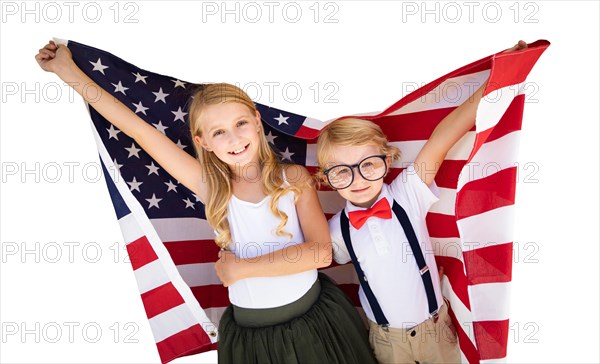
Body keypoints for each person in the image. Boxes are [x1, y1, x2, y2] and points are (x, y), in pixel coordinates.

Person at [35, 40, 377, 364]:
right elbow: (138, 130)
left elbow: (320, 253)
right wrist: (70, 74)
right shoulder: (212, 187)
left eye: (241, 123)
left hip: (315, 323)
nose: (234, 138)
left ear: (257, 122)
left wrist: (242, 269)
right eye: (218, 132)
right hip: (251, 337)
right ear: (204, 142)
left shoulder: (293, 180)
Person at [315, 41, 527, 364]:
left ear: (388, 159)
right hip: (385, 340)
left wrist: (495, 82)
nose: (357, 179)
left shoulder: (406, 193)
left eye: (368, 164)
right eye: (342, 172)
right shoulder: (336, 229)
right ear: (326, 178)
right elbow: (306, 257)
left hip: (435, 330)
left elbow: (444, 136)